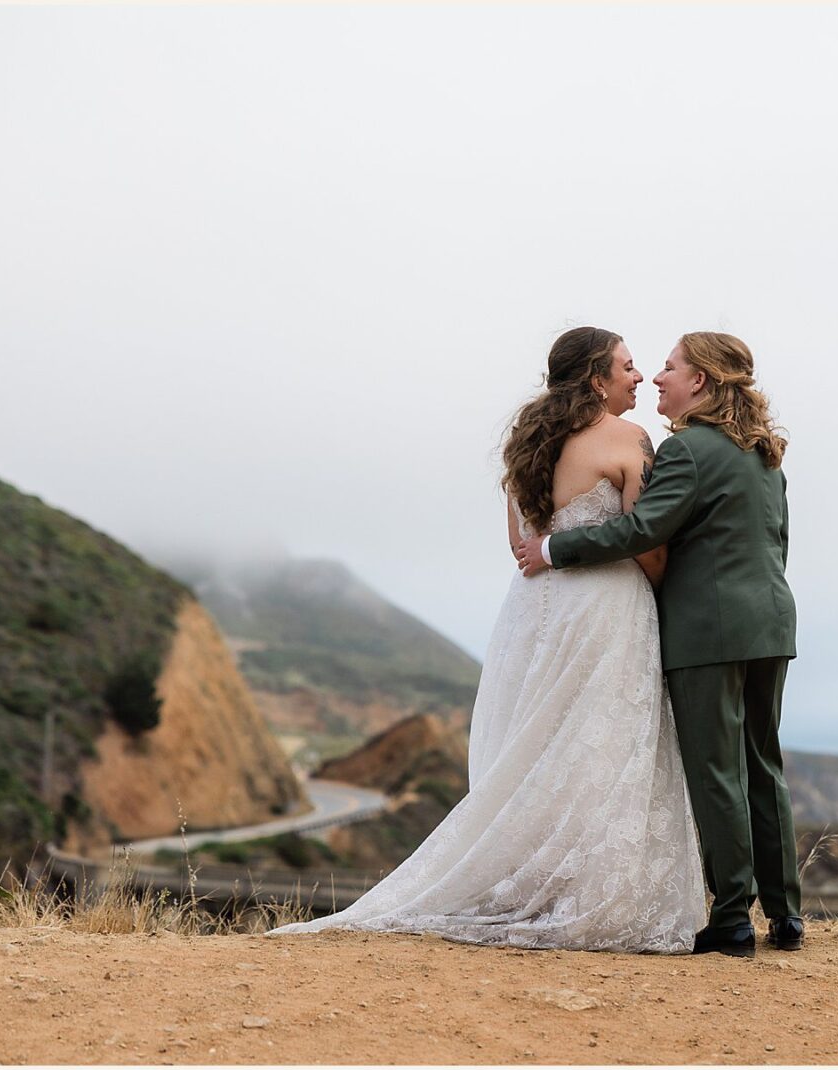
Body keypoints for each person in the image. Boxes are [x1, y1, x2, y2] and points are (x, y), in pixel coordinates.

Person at [265, 326, 705, 953]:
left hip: (532, 611)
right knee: (597, 744)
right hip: (607, 606)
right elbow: (649, 546)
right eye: (629, 367)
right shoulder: (630, 439)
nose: (638, 378)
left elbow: (519, 546)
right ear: (594, 378)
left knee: (537, 746)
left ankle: (531, 887)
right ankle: (586, 894)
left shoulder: (528, 442)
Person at [517, 331, 802, 958]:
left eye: (670, 369)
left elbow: (644, 529)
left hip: (707, 631)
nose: (658, 379)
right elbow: (775, 543)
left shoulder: (689, 451)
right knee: (762, 762)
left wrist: (554, 548)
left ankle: (731, 918)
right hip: (772, 624)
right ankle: (786, 915)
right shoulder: (764, 455)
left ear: (700, 381)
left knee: (715, 772)